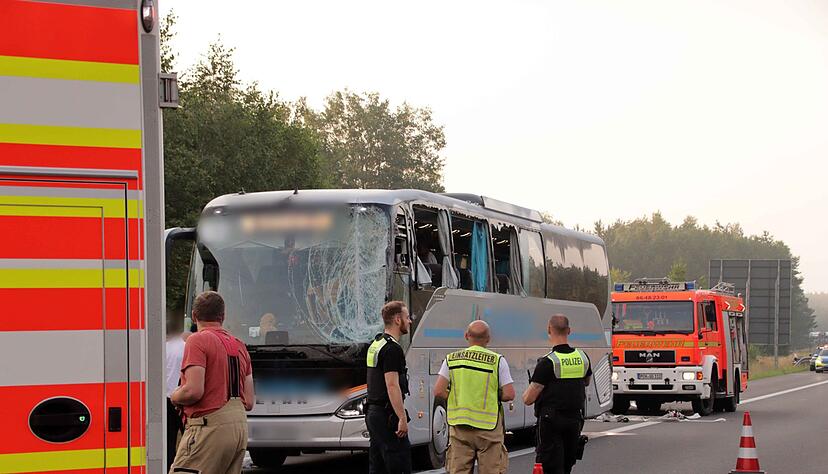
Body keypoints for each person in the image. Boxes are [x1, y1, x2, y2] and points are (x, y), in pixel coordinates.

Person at [169, 291, 255, 474]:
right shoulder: (239, 345)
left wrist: (175, 396)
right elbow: (249, 401)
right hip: (239, 430)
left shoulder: (197, 340)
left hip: (209, 429)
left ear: (194, 316)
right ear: (222, 316)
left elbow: (193, 391)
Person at [433, 320, 515, 474]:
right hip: (489, 428)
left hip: (460, 427)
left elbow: (438, 391)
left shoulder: (451, 359)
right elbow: (509, 394)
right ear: (488, 339)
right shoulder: (498, 361)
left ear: (466, 336)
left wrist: (457, 397)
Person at [523, 314, 592, 474]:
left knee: (549, 465)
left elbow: (528, 399)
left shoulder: (548, 362)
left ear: (549, 330)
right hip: (575, 418)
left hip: (551, 420)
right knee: (567, 463)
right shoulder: (582, 357)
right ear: (569, 330)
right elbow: (586, 381)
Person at [366, 301, 413, 474]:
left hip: (373, 413)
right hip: (387, 416)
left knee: (377, 465)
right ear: (398, 320)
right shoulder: (393, 349)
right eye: (407, 317)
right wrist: (401, 417)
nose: (410, 321)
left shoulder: (376, 344)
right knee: (399, 463)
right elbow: (392, 385)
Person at [164, 317, 187, 471]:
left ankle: (168, 468)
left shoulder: (164, 349)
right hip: (184, 399)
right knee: (188, 439)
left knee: (169, 440)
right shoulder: (187, 347)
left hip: (166, 399)